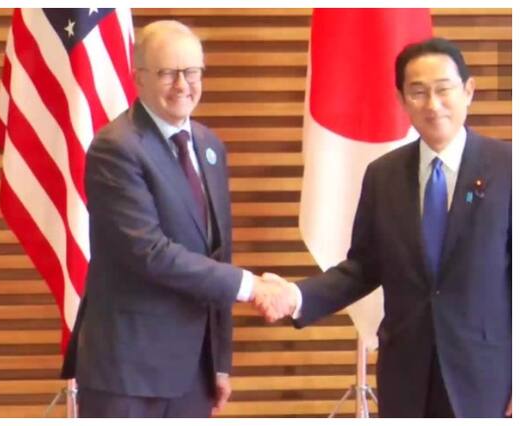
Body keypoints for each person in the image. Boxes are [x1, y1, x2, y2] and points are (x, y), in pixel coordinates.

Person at [255, 37, 512, 418]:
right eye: (418, 92)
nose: (433, 104)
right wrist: (297, 296)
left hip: (487, 378)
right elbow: (363, 267)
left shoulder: (507, 167)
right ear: (401, 99)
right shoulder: (384, 174)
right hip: (405, 376)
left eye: (444, 89)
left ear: (468, 91)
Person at [61, 20, 277, 418]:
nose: (183, 85)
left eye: (192, 71)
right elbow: (149, 252)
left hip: (193, 372)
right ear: (139, 77)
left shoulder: (209, 145)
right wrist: (250, 287)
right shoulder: (116, 147)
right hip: (128, 373)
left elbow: (217, 253)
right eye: (167, 73)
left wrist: (219, 361)